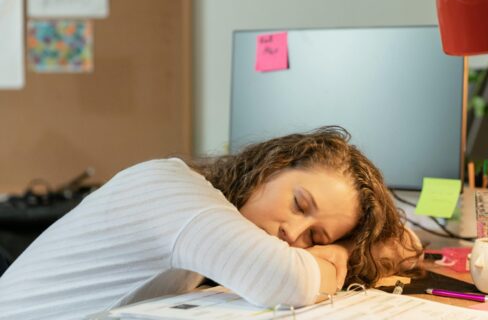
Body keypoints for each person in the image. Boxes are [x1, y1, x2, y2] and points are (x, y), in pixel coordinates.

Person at [0, 126, 421, 319]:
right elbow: (286, 281)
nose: (292, 234)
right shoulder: (176, 192)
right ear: (272, 167)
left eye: (315, 236)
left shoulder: (206, 205)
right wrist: (342, 250)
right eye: (298, 203)